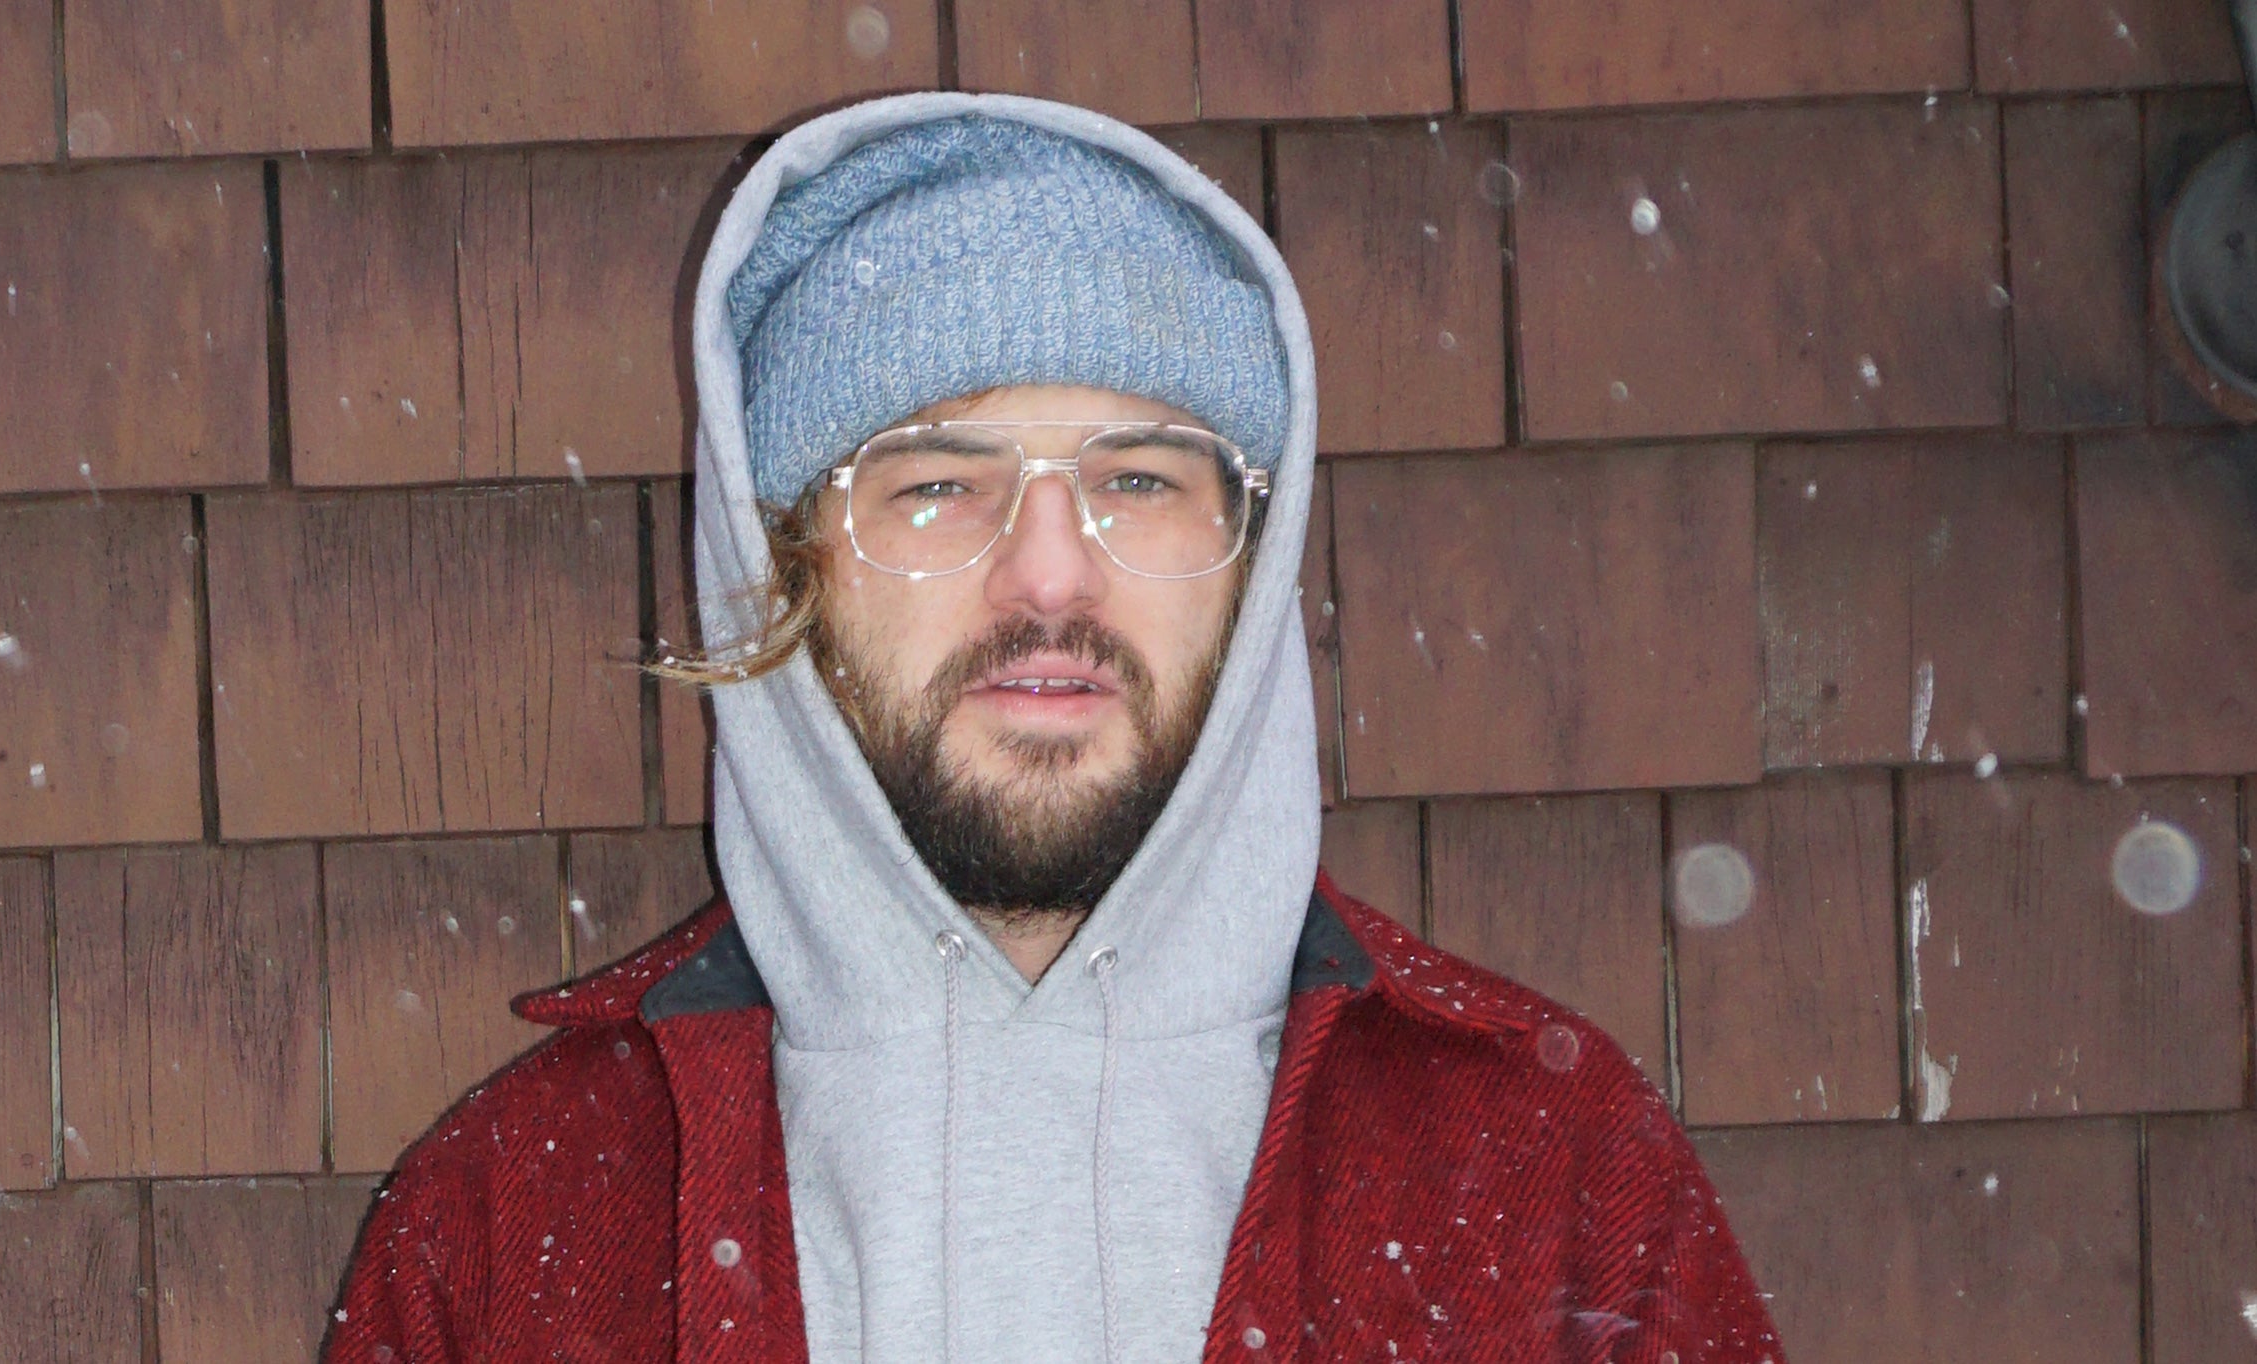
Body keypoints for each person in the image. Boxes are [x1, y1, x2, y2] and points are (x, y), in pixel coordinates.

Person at [323, 93, 1786, 1363]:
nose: (1046, 575)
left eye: (1139, 479)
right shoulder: (513, 1228)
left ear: (1254, 559)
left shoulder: (1552, 1182)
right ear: (783, 569)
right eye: (933, 484)